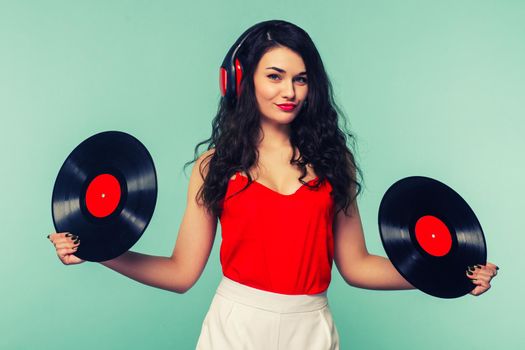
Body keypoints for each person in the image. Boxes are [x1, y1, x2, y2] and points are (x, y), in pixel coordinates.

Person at [47, 20, 499, 349]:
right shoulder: (215, 168)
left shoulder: (332, 162)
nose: (290, 91)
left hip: (311, 328)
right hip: (235, 327)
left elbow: (357, 266)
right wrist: (100, 252)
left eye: (301, 79)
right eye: (275, 76)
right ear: (240, 81)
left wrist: (445, 276)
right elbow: (182, 273)